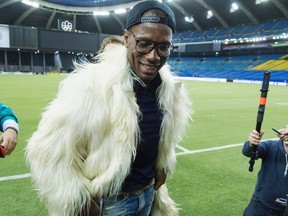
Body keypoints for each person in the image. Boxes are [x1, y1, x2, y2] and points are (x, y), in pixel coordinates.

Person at [26, 1, 192, 216]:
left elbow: (159, 138)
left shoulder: (168, 90)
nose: (153, 56)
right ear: (126, 39)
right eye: (143, 43)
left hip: (149, 196)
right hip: (110, 204)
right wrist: (79, 202)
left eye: (163, 46)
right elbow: (44, 152)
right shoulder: (91, 85)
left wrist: (162, 165)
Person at [242, 126, 288, 216]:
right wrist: (252, 144)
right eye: (286, 128)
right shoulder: (271, 146)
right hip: (260, 207)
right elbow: (248, 152)